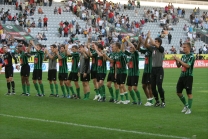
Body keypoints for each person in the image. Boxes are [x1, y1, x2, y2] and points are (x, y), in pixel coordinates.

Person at [173, 42, 195, 114]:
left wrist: (179, 60)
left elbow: (187, 66)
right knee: (178, 92)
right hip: (182, 76)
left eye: (185, 47)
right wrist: (176, 60)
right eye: (183, 47)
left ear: (189, 48)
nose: (183, 48)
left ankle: (189, 109)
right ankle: (186, 105)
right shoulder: (183, 56)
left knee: (189, 93)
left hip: (188, 77)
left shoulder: (192, 56)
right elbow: (179, 66)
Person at [145, 31, 165, 107]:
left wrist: (150, 36)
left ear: (159, 42)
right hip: (153, 70)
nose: (154, 42)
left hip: (159, 69)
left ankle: (163, 101)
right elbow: (146, 44)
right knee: (152, 87)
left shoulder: (161, 49)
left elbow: (153, 43)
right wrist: (147, 37)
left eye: (156, 41)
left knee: (159, 86)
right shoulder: (153, 49)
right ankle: (157, 101)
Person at [122, 38, 142, 105]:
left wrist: (127, 40)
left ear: (134, 48)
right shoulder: (130, 54)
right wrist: (123, 42)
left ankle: (139, 100)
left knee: (135, 88)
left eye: (131, 47)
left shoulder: (136, 54)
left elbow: (133, 46)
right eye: (130, 47)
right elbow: (123, 50)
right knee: (129, 88)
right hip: (130, 73)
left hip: (135, 73)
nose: (130, 48)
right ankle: (134, 100)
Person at [139, 36, 154, 106]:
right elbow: (138, 49)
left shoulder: (152, 50)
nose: (148, 44)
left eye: (150, 43)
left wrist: (142, 40)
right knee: (144, 86)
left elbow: (145, 45)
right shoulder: (146, 51)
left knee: (149, 86)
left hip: (150, 71)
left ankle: (151, 101)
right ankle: (149, 99)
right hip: (145, 71)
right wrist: (140, 41)